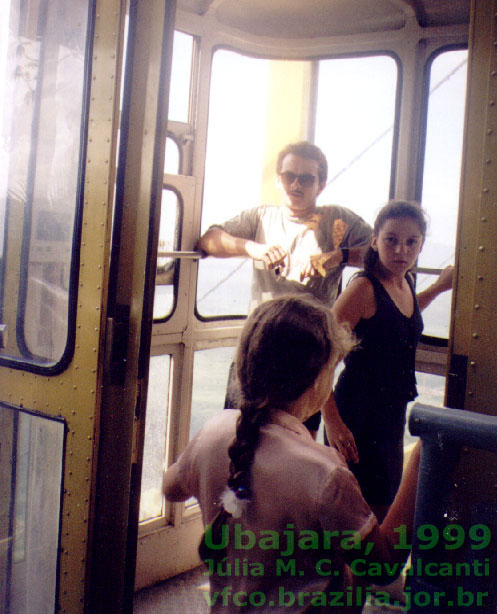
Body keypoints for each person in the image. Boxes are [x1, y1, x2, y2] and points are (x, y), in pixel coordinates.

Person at [164, 295, 421, 614]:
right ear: (317, 383)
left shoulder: (214, 430)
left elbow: (170, 488)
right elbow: (381, 568)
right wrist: (422, 459)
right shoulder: (325, 472)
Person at [197, 141, 372, 439]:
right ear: (279, 180)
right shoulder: (260, 218)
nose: (296, 184)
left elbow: (380, 254)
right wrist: (252, 248)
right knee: (238, 441)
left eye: (306, 178)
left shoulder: (338, 219)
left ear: (321, 185)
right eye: (289, 176)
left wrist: (339, 256)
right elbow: (209, 241)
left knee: (297, 445)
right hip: (257, 351)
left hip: (309, 358)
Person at [326, 200, 453, 522]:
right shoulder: (363, 288)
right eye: (391, 240)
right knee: (358, 515)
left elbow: (398, 318)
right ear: (374, 241)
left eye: (412, 242)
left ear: (421, 245)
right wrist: (333, 422)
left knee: (379, 508)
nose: (401, 250)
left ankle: (359, 573)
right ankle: (343, 574)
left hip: (389, 413)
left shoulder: (403, 281)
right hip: (356, 415)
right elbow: (320, 357)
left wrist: (438, 287)